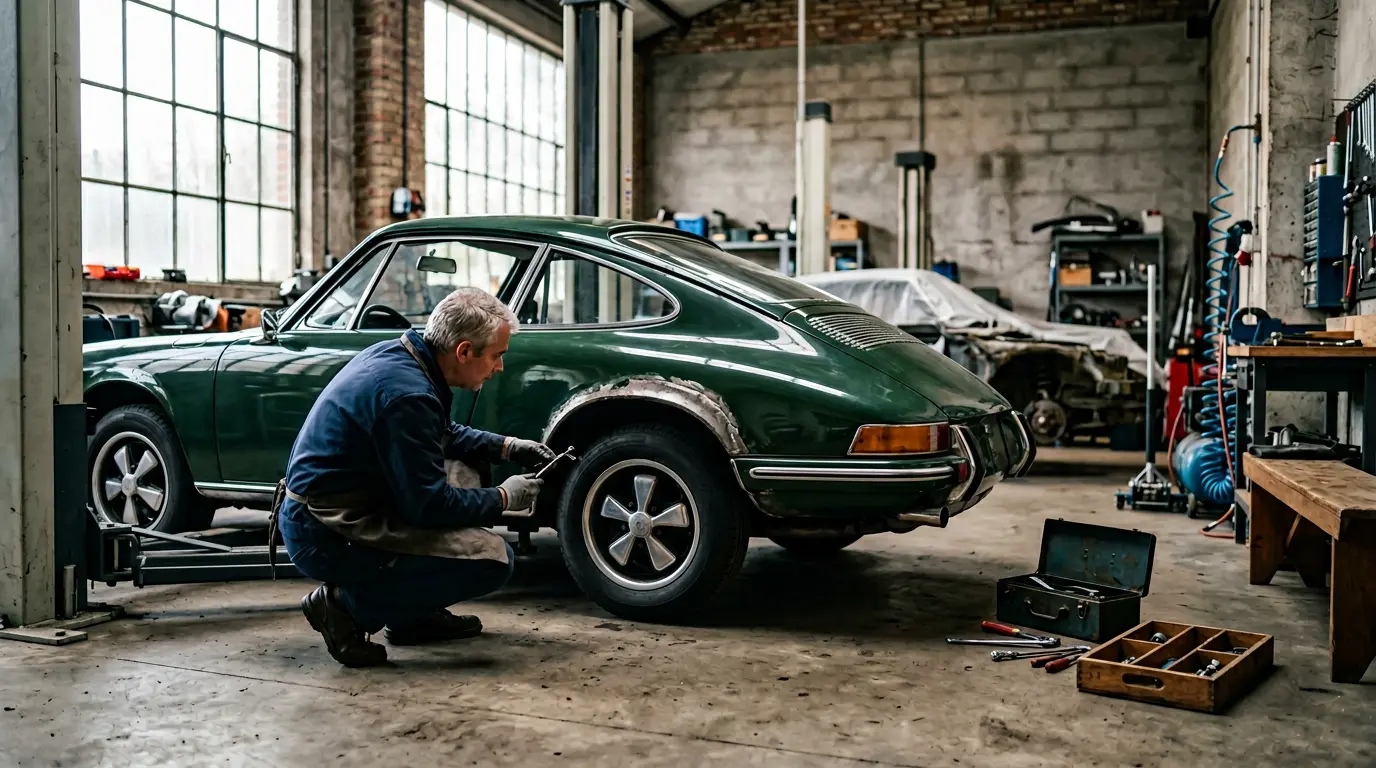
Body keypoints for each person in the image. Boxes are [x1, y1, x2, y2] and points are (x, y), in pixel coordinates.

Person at [274, 286, 554, 667]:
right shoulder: (406, 393)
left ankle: (412, 618)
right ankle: (344, 610)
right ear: (464, 351)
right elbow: (429, 505)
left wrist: (506, 446)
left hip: (342, 502)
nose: (499, 367)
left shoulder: (404, 356)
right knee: (491, 558)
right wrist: (505, 498)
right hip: (325, 532)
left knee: (468, 466)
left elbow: (438, 432)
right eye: (497, 356)